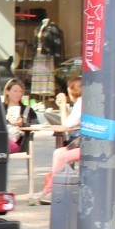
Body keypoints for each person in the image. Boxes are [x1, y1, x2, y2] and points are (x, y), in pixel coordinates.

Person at [38, 76, 83, 205]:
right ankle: (51, 188)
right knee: (60, 153)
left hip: (87, 146)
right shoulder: (82, 103)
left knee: (60, 154)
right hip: (90, 143)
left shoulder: (81, 103)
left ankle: (51, 190)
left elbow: (67, 124)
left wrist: (63, 106)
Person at [29, 10, 64, 99]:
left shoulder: (53, 28)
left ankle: (46, 99)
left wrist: (58, 59)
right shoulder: (38, 28)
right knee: (39, 79)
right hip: (38, 56)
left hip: (48, 56)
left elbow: (57, 44)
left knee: (47, 79)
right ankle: (40, 99)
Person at [3, 78, 38, 154]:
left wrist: (22, 124)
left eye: (20, 91)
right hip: (3, 139)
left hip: (19, 142)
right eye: (15, 91)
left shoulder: (28, 110)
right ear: (7, 92)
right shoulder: (0, 108)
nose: (18, 94)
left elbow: (36, 125)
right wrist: (7, 120)